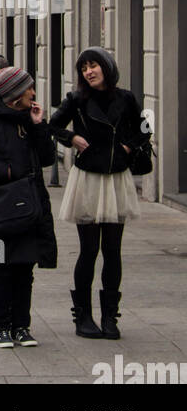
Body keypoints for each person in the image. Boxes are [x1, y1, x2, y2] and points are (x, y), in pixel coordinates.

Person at [48, 47, 149, 341]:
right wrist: (72, 138)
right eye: (84, 68)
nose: (88, 72)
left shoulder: (126, 98)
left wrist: (128, 147)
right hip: (88, 178)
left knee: (113, 251)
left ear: (106, 67)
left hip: (116, 177)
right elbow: (52, 125)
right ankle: (83, 316)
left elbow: (144, 129)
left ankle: (110, 317)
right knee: (89, 250)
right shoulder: (77, 99)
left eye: (93, 66)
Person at [0, 66, 57, 349]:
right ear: (15, 94)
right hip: (2, 208)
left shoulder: (31, 120)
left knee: (25, 268)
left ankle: (21, 326)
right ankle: (0, 326)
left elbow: (48, 158)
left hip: (31, 206)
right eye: (28, 88)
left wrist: (39, 126)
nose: (33, 92)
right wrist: (8, 170)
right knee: (2, 267)